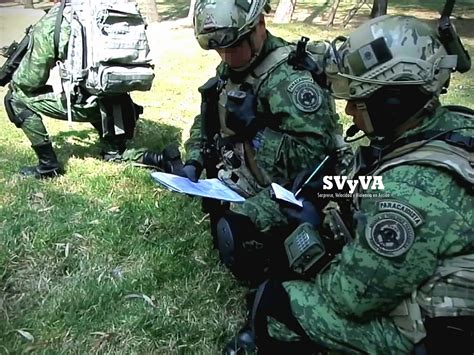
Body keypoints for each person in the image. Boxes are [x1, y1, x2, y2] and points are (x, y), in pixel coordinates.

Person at [225, 15, 474, 354]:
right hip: (436, 290)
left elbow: (349, 297)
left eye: (359, 100)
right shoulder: (447, 127)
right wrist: (321, 189)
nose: (348, 109)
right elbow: (371, 180)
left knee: (273, 302)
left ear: (392, 101)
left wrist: (315, 246)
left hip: (439, 336)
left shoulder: (408, 196)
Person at [176, 0, 348, 284]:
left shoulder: (290, 80)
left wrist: (255, 130)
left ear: (259, 26)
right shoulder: (237, 64)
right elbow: (208, 114)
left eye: (233, 47)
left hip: (296, 192)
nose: (227, 57)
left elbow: (314, 163)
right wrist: (193, 158)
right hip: (246, 178)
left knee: (236, 238)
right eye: (220, 49)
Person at [2, 2, 180, 179]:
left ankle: (48, 166)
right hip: (118, 105)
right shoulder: (115, 7)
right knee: (115, 155)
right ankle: (160, 159)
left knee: (15, 97)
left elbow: (28, 82)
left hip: (88, 104)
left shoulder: (56, 21)